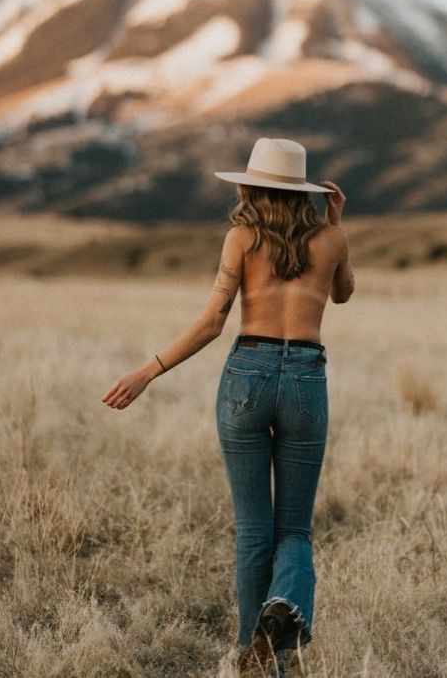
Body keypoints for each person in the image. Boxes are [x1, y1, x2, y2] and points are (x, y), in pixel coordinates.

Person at [101, 137, 355, 677]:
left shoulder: (241, 237)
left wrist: (146, 371)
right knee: (295, 531)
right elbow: (343, 294)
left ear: (251, 185)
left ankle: (250, 650)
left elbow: (213, 321)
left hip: (248, 373)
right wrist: (335, 223)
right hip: (307, 376)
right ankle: (281, 622)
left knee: (253, 530)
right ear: (303, 190)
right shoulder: (330, 239)